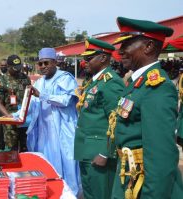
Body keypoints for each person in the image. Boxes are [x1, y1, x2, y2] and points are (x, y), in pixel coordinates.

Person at [109, 17, 183, 199]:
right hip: (129, 176)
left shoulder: (157, 86)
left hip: (145, 186)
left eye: (127, 44)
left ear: (148, 47)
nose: (120, 52)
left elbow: (161, 157)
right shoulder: (137, 82)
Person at [14, 48, 81, 196]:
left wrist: (42, 95)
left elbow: (66, 100)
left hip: (62, 130)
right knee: (46, 162)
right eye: (40, 63)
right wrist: (13, 116)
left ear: (55, 62)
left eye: (46, 63)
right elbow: (31, 104)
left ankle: (70, 194)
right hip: (44, 131)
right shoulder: (39, 82)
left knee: (67, 163)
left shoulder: (65, 78)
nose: (43, 66)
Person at [74, 38, 125, 199]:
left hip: (99, 152)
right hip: (86, 149)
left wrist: (105, 153)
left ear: (103, 58)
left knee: (101, 194)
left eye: (89, 58)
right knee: (90, 192)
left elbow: (118, 121)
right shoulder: (94, 80)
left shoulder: (111, 83)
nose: (84, 62)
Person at [0, 55, 31, 152]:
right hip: (10, 121)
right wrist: (8, 116)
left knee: (26, 148)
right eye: (15, 68)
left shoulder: (25, 78)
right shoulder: (1, 80)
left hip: (25, 120)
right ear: (8, 67)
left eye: (19, 67)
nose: (18, 70)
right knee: (12, 149)